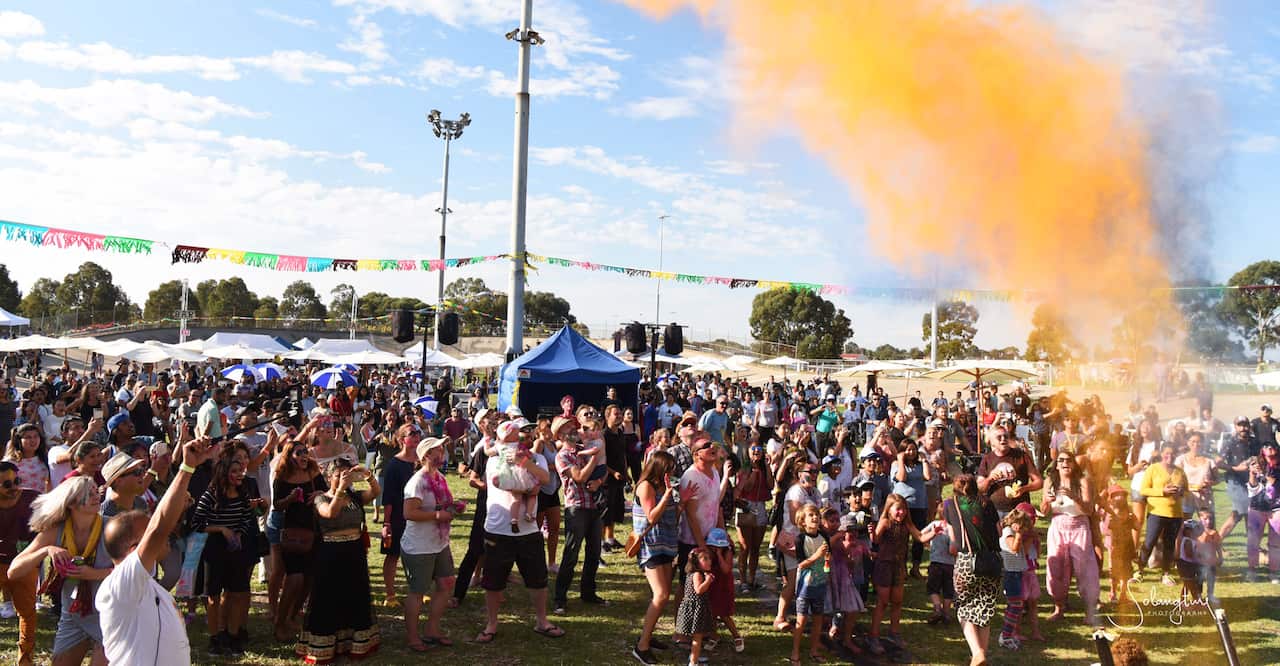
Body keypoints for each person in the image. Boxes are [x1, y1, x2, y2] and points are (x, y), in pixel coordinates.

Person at [92, 433, 217, 666]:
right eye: (146, 535)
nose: (159, 538)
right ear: (133, 550)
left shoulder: (147, 584)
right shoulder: (122, 582)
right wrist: (187, 468)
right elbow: (159, 528)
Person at [475, 410, 563, 644]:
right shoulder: (494, 459)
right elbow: (506, 483)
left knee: (537, 578)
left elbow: (544, 480)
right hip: (498, 528)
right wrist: (529, 488)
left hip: (529, 530)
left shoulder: (535, 457)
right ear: (502, 438)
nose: (521, 435)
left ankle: (542, 621)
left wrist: (526, 464)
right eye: (516, 431)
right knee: (493, 581)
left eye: (524, 431)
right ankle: (492, 623)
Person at [7, 476, 110, 666]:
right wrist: (46, 550)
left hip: (109, 613)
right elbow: (13, 571)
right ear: (71, 503)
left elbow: (137, 570)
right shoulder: (56, 531)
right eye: (88, 494)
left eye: (96, 491)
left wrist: (92, 574)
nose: (96, 496)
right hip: (73, 613)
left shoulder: (111, 527)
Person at [297, 459, 382, 663]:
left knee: (355, 594)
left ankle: (352, 643)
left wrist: (368, 475)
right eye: (338, 475)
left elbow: (376, 492)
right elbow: (330, 513)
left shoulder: (354, 497)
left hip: (354, 551)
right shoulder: (321, 499)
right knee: (329, 597)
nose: (344, 478)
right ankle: (324, 646)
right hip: (331, 553)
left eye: (347, 474)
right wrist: (341, 489)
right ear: (328, 477)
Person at [190, 455, 265, 656]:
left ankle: (232, 636)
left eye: (240, 471)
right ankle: (215, 638)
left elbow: (246, 517)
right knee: (214, 596)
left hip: (236, 549)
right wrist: (222, 529)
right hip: (215, 549)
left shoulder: (242, 494)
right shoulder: (211, 495)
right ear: (224, 474)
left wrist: (238, 533)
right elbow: (197, 523)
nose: (240, 475)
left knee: (238, 593)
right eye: (234, 471)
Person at [401, 436, 460, 651]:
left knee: (445, 585)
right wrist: (437, 515)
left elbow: (443, 503)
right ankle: (413, 636)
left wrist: (454, 506)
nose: (442, 453)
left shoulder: (439, 477)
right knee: (418, 591)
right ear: (426, 455)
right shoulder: (417, 482)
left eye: (443, 449)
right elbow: (408, 512)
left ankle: (432, 630)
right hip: (419, 546)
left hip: (439, 543)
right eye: (438, 450)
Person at [867, 492, 938, 655]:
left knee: (897, 601)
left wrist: (934, 532)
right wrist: (871, 533)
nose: (902, 513)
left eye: (904, 510)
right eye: (898, 510)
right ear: (889, 509)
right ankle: (874, 636)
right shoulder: (885, 522)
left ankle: (894, 632)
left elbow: (920, 537)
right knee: (883, 601)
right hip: (884, 566)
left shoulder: (906, 524)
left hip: (899, 566)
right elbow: (876, 540)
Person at [267, 439, 324, 642]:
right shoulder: (282, 477)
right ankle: (280, 621)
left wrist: (320, 493)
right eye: (299, 453)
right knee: (294, 579)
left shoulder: (314, 474)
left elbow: (327, 493)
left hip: (314, 532)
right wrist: (290, 498)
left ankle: (292, 616)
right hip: (292, 534)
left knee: (308, 580)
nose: (303, 456)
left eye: (305, 452)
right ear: (289, 456)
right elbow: (277, 505)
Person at [553, 414, 608, 615]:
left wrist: (599, 482)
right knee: (571, 553)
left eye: (574, 427)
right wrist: (594, 457)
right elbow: (579, 477)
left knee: (594, 553)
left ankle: (588, 593)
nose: (573, 430)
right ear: (559, 434)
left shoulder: (583, 448)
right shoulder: (563, 456)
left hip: (593, 506)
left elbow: (604, 470)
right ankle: (560, 598)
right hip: (576, 507)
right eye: (568, 428)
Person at [944, 474, 1001, 666]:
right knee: (983, 610)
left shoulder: (949, 505)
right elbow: (999, 531)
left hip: (967, 561)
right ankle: (980, 654)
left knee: (962, 607)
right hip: (992, 561)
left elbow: (953, 544)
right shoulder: (988, 503)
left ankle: (977, 652)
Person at [631, 451, 679, 665]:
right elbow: (652, 516)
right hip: (651, 545)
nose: (673, 472)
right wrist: (668, 496)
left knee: (664, 595)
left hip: (666, 543)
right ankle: (641, 646)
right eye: (669, 469)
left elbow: (671, 516)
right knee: (660, 595)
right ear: (659, 468)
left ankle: (649, 636)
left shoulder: (664, 486)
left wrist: (681, 502)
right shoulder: (646, 487)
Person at [1042, 451, 1099, 625]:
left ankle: (1090, 611)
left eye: (1069, 460)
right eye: (1061, 460)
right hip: (1058, 525)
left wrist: (1074, 497)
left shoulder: (1083, 481)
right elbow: (1044, 511)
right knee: (1056, 567)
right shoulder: (1050, 481)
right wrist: (1046, 502)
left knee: (1085, 569)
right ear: (1056, 464)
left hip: (1079, 525)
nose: (1065, 463)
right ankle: (1059, 608)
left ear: (1074, 464)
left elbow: (1089, 510)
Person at [0, 460, 39, 665]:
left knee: (28, 613)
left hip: (24, 564)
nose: (15, 487)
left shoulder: (32, 498)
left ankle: (25, 659)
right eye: (7, 484)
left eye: (17, 481)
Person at [378, 423, 421, 610]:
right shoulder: (394, 465)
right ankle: (390, 594)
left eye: (418, 432)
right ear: (402, 439)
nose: (416, 436)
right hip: (397, 516)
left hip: (419, 516)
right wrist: (386, 523)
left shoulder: (422, 462)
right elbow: (388, 497)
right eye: (412, 433)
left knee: (419, 555)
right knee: (393, 555)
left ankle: (419, 590)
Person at [1137, 444, 1187, 585]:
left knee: (1169, 544)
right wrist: (1162, 491)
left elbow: (1186, 490)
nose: (1169, 456)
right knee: (1150, 541)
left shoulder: (1179, 472)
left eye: (1172, 454)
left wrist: (1181, 492)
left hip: (1175, 513)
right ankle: (1140, 570)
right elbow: (1144, 490)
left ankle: (1166, 573)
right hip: (1157, 512)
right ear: (1161, 454)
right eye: (1166, 453)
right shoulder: (1153, 469)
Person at [976, 425, 1041, 518]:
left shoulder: (1021, 456)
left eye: (1005, 436)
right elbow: (980, 488)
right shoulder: (987, 459)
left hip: (1019, 510)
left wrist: (1024, 489)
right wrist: (989, 479)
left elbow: (1039, 482)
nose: (1003, 439)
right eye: (999, 437)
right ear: (992, 442)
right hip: (995, 510)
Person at [997, 507, 1033, 650]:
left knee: (1015, 605)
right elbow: (1014, 548)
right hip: (1010, 573)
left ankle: (1008, 634)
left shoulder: (1014, 533)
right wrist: (1019, 534)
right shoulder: (1008, 533)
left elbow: (1022, 550)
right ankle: (1005, 636)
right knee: (1015, 605)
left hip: (1017, 572)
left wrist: (1031, 538)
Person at [674, 547, 716, 666]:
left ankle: (694, 657)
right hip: (695, 610)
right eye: (705, 559)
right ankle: (693, 662)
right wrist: (707, 581)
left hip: (696, 608)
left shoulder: (692, 573)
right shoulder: (697, 574)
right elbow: (698, 590)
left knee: (697, 637)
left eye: (709, 559)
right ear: (696, 562)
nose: (709, 561)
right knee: (697, 638)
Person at [705, 527, 743, 654]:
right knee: (710, 613)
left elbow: (726, 569)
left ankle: (736, 636)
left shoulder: (727, 552)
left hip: (723, 586)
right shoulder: (707, 552)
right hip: (712, 585)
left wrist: (719, 555)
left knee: (724, 614)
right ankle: (713, 635)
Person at [5, 423, 51, 494]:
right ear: (19, 440)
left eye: (36, 436)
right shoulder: (10, 462)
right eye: (28, 437)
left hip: (40, 501)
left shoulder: (45, 458)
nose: (33, 440)